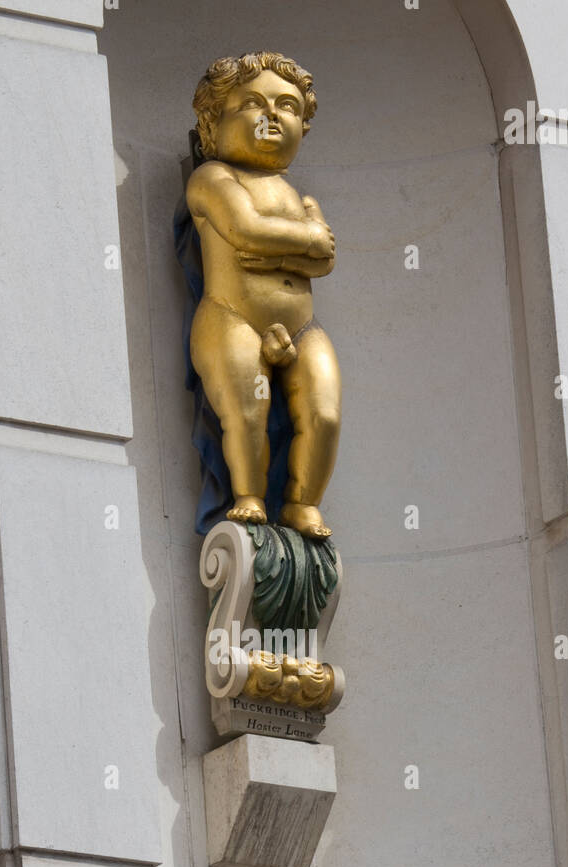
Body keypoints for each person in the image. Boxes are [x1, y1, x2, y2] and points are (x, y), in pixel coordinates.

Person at [186, 52, 341, 539]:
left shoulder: (299, 194)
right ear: (214, 121)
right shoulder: (212, 179)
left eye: (289, 106)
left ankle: (300, 503)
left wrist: (285, 253)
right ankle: (249, 495)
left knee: (325, 412)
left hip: (303, 326)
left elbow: (326, 260)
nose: (273, 115)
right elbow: (247, 230)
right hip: (232, 318)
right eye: (253, 102)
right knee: (245, 412)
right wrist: (305, 241)